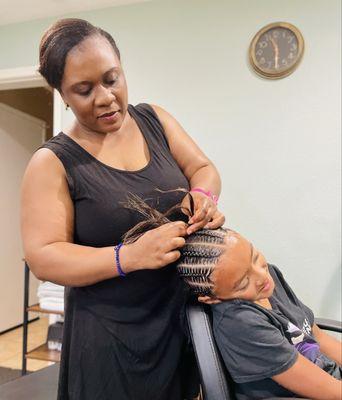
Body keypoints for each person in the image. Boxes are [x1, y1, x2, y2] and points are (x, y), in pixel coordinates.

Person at [20, 18, 225, 400]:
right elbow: (44, 257)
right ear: (62, 94)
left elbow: (203, 169)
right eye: (83, 90)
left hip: (179, 320)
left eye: (111, 79)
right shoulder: (52, 162)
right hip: (111, 339)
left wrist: (203, 198)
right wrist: (127, 257)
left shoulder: (155, 120)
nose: (105, 97)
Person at [122, 198, 342, 400]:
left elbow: (317, 335)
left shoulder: (269, 276)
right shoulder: (242, 323)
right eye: (242, 283)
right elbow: (332, 393)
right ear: (211, 298)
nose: (260, 276)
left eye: (255, 257)